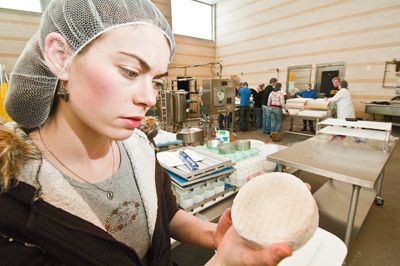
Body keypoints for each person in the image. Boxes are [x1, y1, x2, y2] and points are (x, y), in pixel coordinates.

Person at [0, 1, 293, 265]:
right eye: (129, 71)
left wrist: (216, 235)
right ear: (61, 56)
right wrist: (225, 262)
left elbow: (166, 215)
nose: (150, 99)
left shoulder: (137, 147)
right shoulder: (12, 202)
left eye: (155, 80)